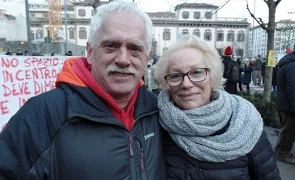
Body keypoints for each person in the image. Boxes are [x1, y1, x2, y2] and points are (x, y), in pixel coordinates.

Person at [0, 1, 166, 179]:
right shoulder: (43, 113)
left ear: (147, 57)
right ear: (89, 52)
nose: (123, 59)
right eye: (111, 45)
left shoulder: (157, 110)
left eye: (135, 49)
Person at [154, 35, 280, 179]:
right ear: (166, 83)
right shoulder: (156, 124)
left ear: (212, 77)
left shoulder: (245, 122)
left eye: (197, 72)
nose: (186, 84)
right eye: (175, 76)